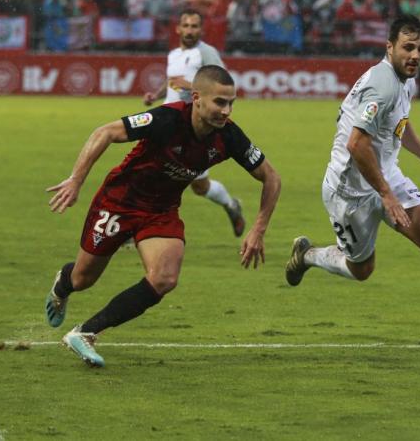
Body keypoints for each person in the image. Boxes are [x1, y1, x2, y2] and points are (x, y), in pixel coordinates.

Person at [45, 65, 281, 367]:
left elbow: (271, 178)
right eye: (220, 102)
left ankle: (86, 332)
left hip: (161, 210)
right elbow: (105, 132)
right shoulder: (166, 119)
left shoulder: (229, 136)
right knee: (83, 278)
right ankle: (63, 284)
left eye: (231, 102)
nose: (227, 110)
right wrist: (76, 180)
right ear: (197, 98)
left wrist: (258, 229)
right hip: (120, 201)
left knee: (165, 277)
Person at [285, 15, 420, 347]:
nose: (415, 55)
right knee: (361, 270)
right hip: (349, 190)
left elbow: (400, 124)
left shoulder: (405, 78)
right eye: (407, 48)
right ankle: (309, 255)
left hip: (386, 174)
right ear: (390, 47)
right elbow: (356, 144)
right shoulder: (381, 84)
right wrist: (387, 196)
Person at [144, 9, 245, 237]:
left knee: (199, 187)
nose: (190, 31)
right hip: (167, 123)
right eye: (186, 26)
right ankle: (135, 228)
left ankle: (230, 204)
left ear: (201, 29)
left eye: (194, 26)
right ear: (178, 28)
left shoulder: (206, 53)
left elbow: (223, 86)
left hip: (194, 128)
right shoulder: (173, 55)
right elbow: (173, 82)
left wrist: (190, 85)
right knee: (150, 173)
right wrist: (157, 94)